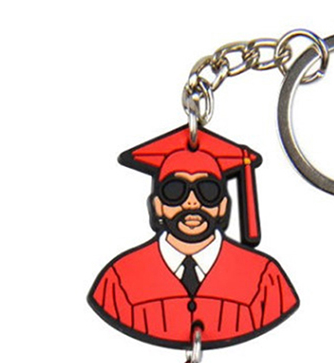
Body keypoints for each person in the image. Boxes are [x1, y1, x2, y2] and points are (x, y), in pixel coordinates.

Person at [88, 126, 299, 349]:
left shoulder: (265, 279)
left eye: (207, 191)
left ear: (223, 206)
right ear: (157, 205)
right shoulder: (119, 280)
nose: (192, 202)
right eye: (175, 191)